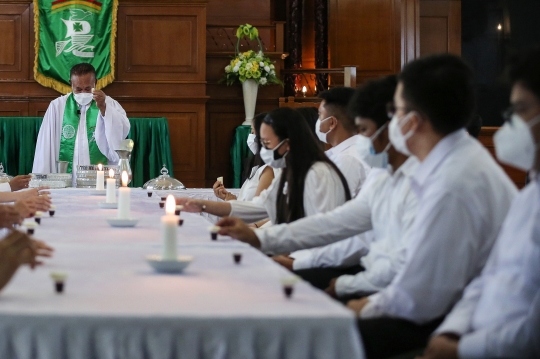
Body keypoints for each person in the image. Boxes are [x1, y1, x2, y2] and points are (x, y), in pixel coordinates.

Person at [217, 54, 517, 358]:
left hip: (437, 315)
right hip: (407, 296)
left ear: (412, 121)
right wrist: (263, 239)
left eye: (396, 112)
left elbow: (423, 290)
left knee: (299, 335)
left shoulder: (452, 181)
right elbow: (344, 220)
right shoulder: (414, 168)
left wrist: (357, 298)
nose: (391, 120)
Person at [420, 47, 540, 359]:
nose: (511, 122)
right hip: (472, 335)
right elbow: (490, 274)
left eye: (522, 110)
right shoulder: (530, 193)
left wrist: (462, 349)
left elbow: (532, 335)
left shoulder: (461, 176)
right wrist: (452, 331)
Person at [272, 75, 417, 295]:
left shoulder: (355, 160)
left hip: (376, 278)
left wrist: (346, 286)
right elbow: (347, 219)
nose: (362, 140)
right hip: (358, 264)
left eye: (365, 131)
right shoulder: (381, 166)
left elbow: (354, 233)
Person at [176, 107, 351, 227]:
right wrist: (201, 205)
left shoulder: (319, 173)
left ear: (287, 143)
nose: (263, 149)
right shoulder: (287, 171)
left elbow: (315, 229)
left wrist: (260, 238)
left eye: (266, 143)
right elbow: (258, 207)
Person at [32, 63, 130, 180]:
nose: (83, 92)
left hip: (100, 179)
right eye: (78, 89)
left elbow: (122, 131)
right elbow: (45, 146)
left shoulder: (109, 103)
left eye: (88, 89)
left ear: (95, 83)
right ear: (71, 84)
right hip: (68, 178)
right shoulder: (57, 106)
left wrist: (104, 109)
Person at [316, 87, 371, 197]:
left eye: (320, 115)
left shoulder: (347, 159)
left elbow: (332, 203)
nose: (318, 121)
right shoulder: (342, 153)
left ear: (332, 122)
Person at [213, 113, 277, 202]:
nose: (251, 135)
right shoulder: (257, 167)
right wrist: (228, 197)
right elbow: (248, 202)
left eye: (253, 131)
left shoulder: (269, 170)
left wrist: (232, 202)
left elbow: (258, 209)